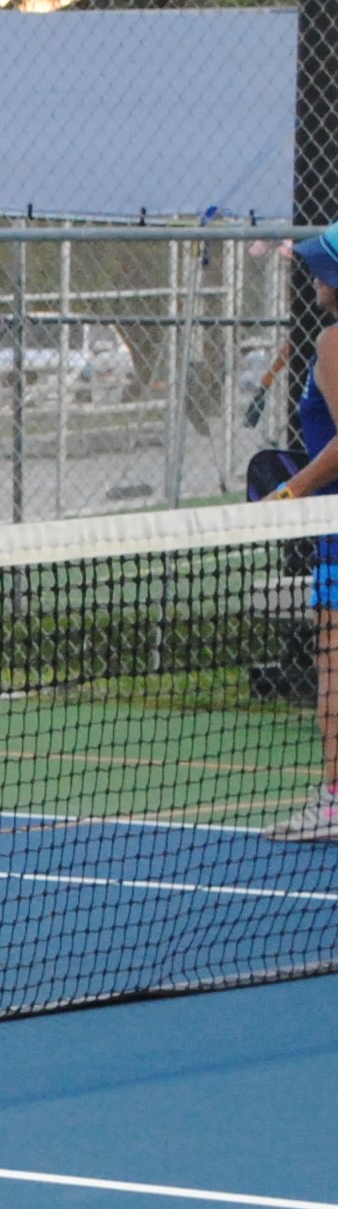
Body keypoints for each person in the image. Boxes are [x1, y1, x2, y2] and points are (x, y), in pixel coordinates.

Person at [263, 223, 338, 843]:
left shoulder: (335, 341)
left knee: (333, 661)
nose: (312, 275)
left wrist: (291, 493)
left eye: (320, 267)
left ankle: (335, 799)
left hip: (335, 528)